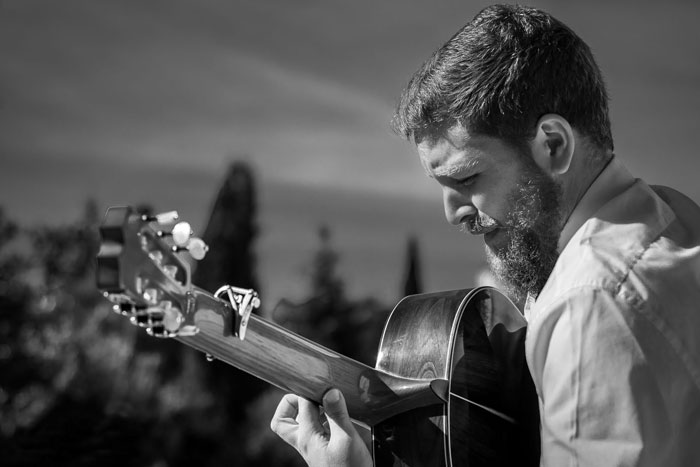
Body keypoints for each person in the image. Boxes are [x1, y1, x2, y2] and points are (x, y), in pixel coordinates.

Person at [270, 4, 700, 466]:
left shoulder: (589, 304)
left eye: (467, 179)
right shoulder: (675, 219)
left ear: (553, 145)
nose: (453, 213)